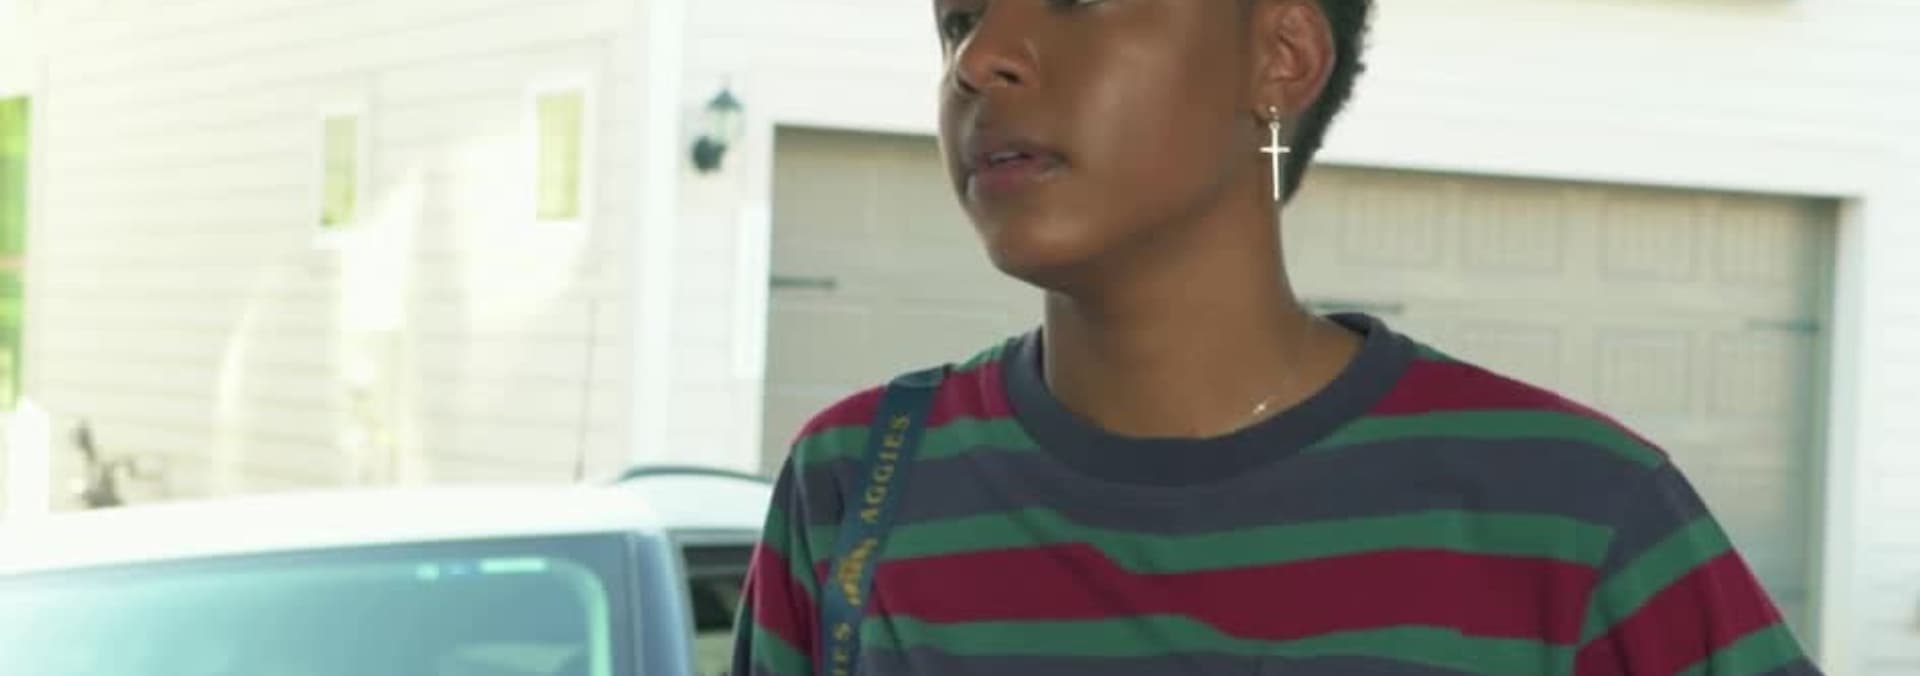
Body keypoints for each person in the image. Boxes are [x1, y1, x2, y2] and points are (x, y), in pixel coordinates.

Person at [731, 1, 1820, 674]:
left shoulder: (1578, 516)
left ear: (1283, 57)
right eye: (959, 17)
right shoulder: (856, 485)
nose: (981, 60)